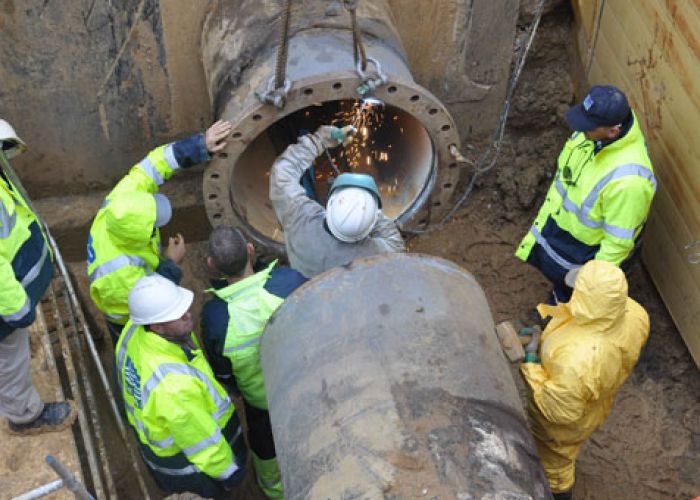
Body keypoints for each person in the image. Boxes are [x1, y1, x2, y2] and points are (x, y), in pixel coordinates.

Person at [87, 120, 232, 343]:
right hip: (127, 316)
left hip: (133, 286)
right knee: (145, 342)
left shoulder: (122, 200)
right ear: (141, 236)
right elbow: (148, 297)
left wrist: (201, 144)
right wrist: (171, 263)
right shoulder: (117, 276)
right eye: (154, 224)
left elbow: (155, 162)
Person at [520, 260, 649, 499]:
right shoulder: (634, 313)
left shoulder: (579, 359)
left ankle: (557, 495)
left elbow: (557, 410)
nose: (573, 292)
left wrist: (531, 365)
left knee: (555, 465)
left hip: (563, 420)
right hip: (593, 398)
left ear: (590, 300)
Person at [515, 85, 656, 303]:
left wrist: (592, 281)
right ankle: (559, 301)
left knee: (579, 297)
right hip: (567, 232)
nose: (580, 130)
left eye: (588, 127)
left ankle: (566, 321)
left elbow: (617, 244)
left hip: (589, 250)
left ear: (613, 131)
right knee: (562, 283)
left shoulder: (629, 181)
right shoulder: (593, 135)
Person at [116, 274, 247, 498]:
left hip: (161, 446)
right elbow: (202, 443)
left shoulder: (134, 330)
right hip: (189, 466)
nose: (188, 314)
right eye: (178, 315)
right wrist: (228, 473)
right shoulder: (174, 388)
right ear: (157, 327)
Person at [201, 225, 307, 498]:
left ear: (211, 265)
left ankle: (275, 491)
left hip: (260, 401)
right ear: (250, 250)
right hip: (303, 382)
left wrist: (238, 388)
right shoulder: (288, 281)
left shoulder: (216, 317)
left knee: (266, 445)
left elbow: (222, 372)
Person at [0, 119, 75, 434]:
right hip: (6, 307)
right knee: (10, 362)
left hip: (13, 294)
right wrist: (19, 313)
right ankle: (25, 416)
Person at [269, 124, 405, 278]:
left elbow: (282, 173)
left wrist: (319, 140)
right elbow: (393, 238)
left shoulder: (299, 219)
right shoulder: (379, 253)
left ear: (330, 202)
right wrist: (372, 211)